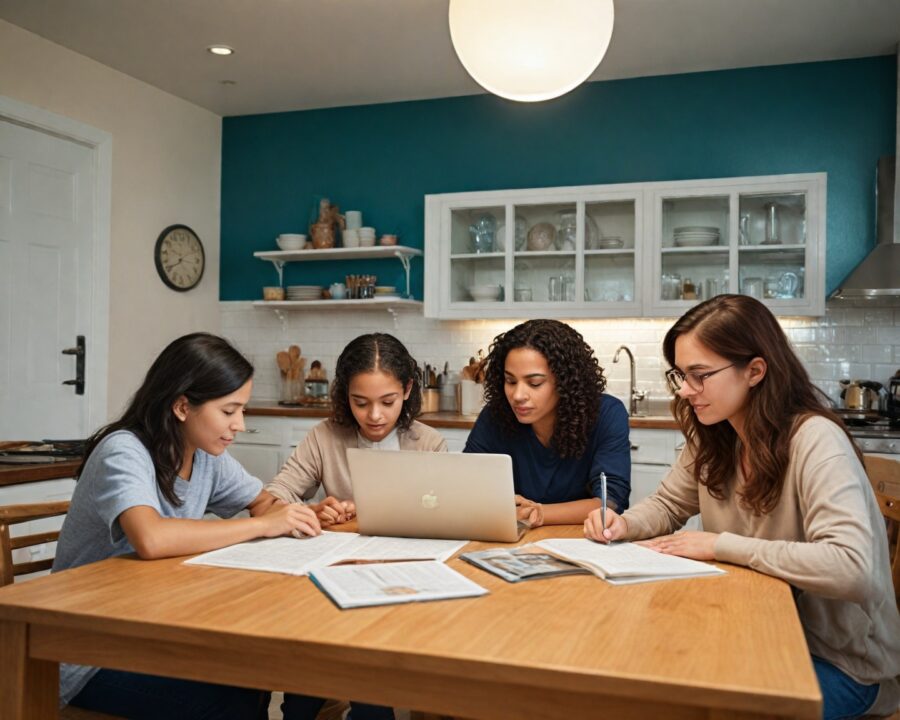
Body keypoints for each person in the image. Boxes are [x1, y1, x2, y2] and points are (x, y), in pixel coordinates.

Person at [584, 295, 900, 720]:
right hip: (754, 636)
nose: (685, 390)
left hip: (842, 664)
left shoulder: (815, 440)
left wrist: (721, 545)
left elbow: (851, 568)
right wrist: (623, 523)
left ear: (755, 371)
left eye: (700, 375)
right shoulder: (715, 432)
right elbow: (666, 504)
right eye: (680, 375)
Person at [53, 332, 321, 719]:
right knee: (229, 698)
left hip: (152, 629)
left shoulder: (203, 452)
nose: (240, 425)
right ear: (182, 406)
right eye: (229, 411)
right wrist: (263, 526)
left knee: (253, 673)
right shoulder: (124, 450)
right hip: (86, 652)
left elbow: (263, 503)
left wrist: (298, 515)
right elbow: (152, 538)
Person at [264, 332, 446, 720]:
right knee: (302, 695)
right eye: (360, 402)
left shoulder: (427, 443)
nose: (375, 415)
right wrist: (312, 510)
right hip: (332, 579)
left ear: (408, 389)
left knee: (372, 685)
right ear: (344, 394)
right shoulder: (325, 437)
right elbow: (273, 499)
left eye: (388, 402)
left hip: (403, 581)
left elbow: (444, 519)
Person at [464, 319, 630, 527]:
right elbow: (467, 487)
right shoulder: (495, 416)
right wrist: (498, 506)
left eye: (534, 383)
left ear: (566, 382)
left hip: (582, 540)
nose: (518, 395)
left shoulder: (606, 414)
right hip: (513, 540)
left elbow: (611, 501)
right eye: (510, 381)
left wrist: (538, 513)